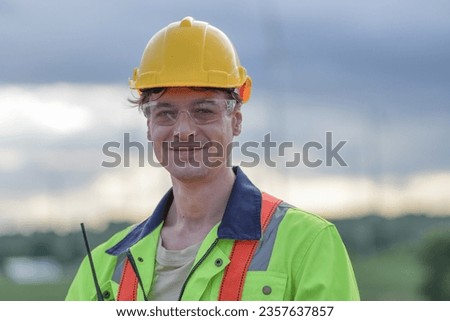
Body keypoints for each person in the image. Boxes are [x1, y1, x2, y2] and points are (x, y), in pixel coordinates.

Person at [66, 17, 359, 301]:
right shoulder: (104, 267)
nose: (183, 131)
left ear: (236, 121)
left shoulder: (307, 244)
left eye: (204, 110)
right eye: (166, 113)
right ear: (149, 126)